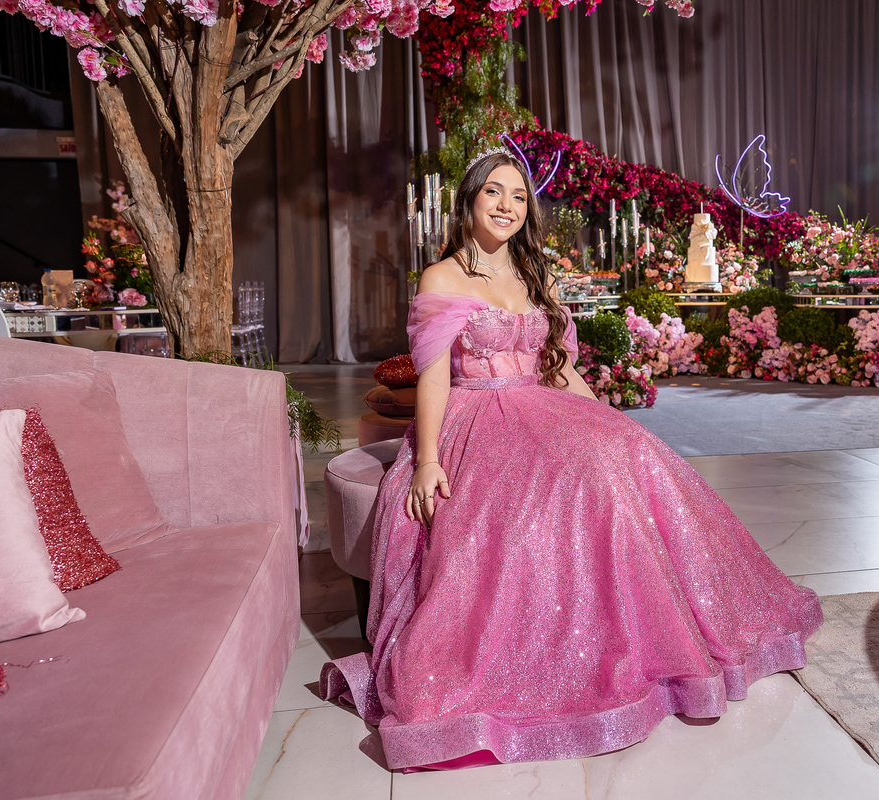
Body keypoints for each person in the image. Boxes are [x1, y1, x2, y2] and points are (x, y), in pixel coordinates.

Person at [320, 150, 823, 771]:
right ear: (469, 201)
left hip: (540, 404)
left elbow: (559, 369)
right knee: (549, 487)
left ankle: (650, 632)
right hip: (474, 416)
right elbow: (433, 376)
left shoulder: (537, 275)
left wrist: (607, 423)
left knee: (625, 455)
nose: (506, 205)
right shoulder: (441, 277)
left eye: (518, 196)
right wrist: (426, 461)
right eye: (493, 192)